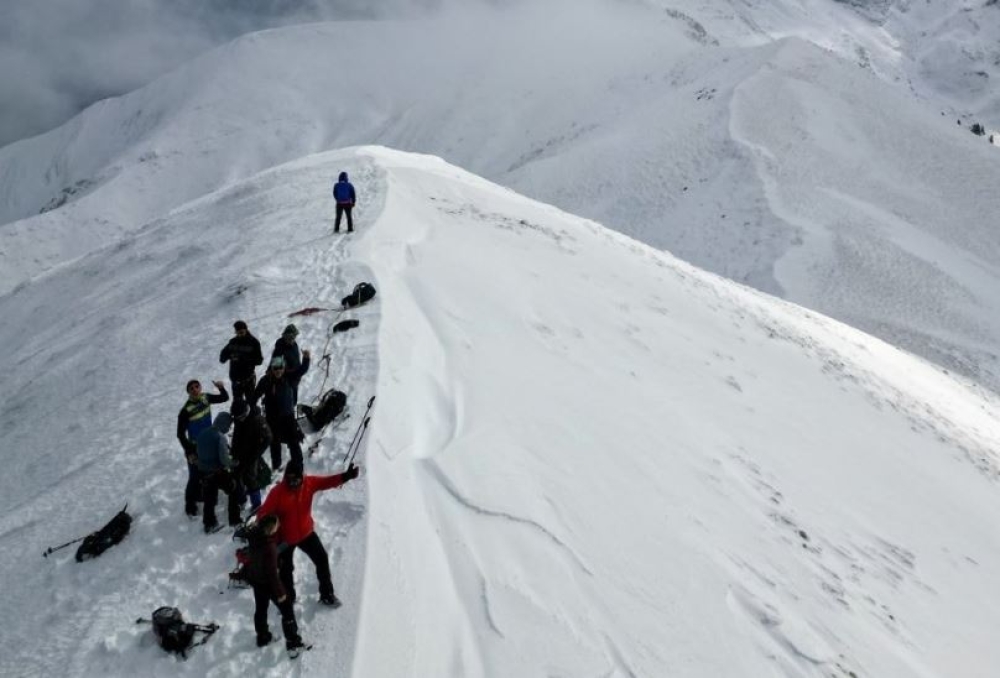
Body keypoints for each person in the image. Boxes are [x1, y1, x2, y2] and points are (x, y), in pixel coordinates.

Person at [258, 459, 360, 606]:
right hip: (285, 538)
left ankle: (327, 595)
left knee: (322, 559)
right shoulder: (277, 492)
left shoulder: (309, 483)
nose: (292, 482)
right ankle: (288, 600)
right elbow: (263, 513)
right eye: (289, 478)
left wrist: (345, 476)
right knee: (286, 571)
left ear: (302, 476)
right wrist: (266, 523)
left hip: (306, 533)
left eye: (296, 479)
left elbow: (327, 482)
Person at [244, 514, 305, 653]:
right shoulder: (269, 547)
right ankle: (293, 643)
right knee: (287, 610)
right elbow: (272, 574)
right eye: (277, 525)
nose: (279, 526)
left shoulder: (254, 536)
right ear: (271, 529)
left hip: (255, 579)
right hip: (267, 582)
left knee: (261, 608)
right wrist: (281, 593)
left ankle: (262, 637)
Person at [176, 380, 229, 517]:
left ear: (200, 387)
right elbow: (180, 434)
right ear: (188, 392)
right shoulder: (186, 411)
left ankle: (205, 494)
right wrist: (189, 451)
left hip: (209, 442)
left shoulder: (206, 398)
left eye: (196, 386)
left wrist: (221, 388)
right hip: (195, 447)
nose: (195, 390)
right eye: (191, 388)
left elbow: (224, 398)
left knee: (211, 470)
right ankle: (190, 506)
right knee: (194, 476)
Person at [254, 353, 310, 471]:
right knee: (275, 443)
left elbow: (302, 370)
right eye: (275, 368)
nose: (278, 371)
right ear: (271, 368)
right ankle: (276, 466)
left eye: (280, 368)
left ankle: (298, 465)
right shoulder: (266, 380)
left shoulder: (288, 376)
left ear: (284, 367)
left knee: (294, 441)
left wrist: (306, 358)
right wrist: (251, 409)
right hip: (272, 418)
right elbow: (255, 396)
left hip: (288, 416)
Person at [196, 411, 238, 532]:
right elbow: (224, 460)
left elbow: (198, 451)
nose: (229, 428)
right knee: (233, 488)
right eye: (228, 426)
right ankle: (234, 519)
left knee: (209, 498)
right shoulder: (220, 437)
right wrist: (234, 463)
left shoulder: (202, 433)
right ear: (224, 424)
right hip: (217, 472)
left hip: (203, 471)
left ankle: (209, 524)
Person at [230, 398, 272, 512]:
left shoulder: (258, 419)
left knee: (250, 478)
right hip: (240, 452)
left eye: (241, 417)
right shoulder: (238, 418)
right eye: (237, 418)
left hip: (252, 454)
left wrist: (256, 454)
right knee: (236, 474)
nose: (240, 419)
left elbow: (268, 438)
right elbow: (236, 435)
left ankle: (257, 503)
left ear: (246, 411)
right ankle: (242, 500)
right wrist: (233, 452)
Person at [220, 321, 263, 403]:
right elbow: (223, 357)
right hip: (235, 381)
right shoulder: (233, 342)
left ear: (246, 330)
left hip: (248, 380)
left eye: (242, 332)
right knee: (237, 405)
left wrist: (244, 359)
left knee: (251, 403)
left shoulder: (254, 342)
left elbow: (259, 360)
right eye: (238, 332)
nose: (240, 334)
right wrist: (228, 356)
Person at [271, 324, 303, 405]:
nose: (293, 339)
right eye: (291, 337)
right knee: (286, 401)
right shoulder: (280, 348)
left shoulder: (294, 344)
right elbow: (276, 366)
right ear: (286, 336)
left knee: (293, 401)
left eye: (294, 337)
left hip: (295, 378)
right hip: (287, 380)